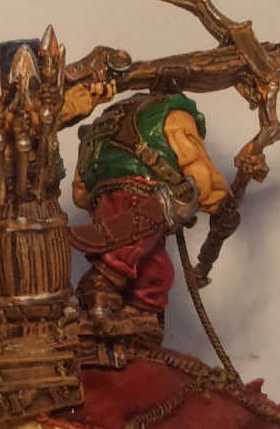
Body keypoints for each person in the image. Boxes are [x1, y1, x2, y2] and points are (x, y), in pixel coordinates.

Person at [71, 92, 229, 319]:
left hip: (103, 203)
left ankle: (139, 323)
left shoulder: (101, 123)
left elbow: (80, 195)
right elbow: (200, 176)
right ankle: (101, 296)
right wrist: (219, 202)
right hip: (147, 202)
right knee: (123, 262)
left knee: (154, 272)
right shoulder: (175, 117)